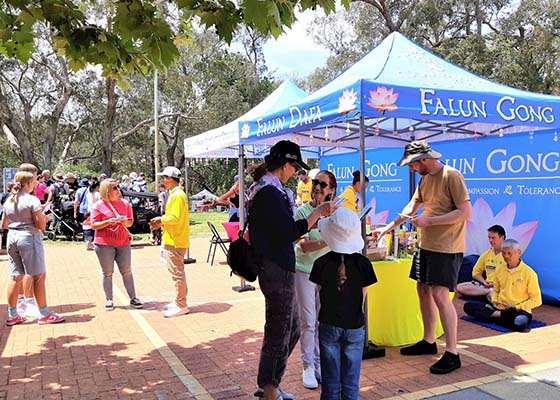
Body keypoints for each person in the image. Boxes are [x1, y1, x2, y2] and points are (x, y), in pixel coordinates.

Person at [374, 140, 471, 375]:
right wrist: (387, 228)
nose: (411, 169)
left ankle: (452, 353)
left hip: (447, 247)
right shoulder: (425, 179)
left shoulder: (451, 176)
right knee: (423, 289)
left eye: (412, 165)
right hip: (426, 245)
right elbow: (410, 207)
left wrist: (429, 221)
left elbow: (465, 213)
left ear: (424, 160)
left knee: (440, 293)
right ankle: (429, 341)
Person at [247, 140, 334, 400]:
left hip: (277, 266)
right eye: (295, 167)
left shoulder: (268, 189)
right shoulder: (270, 192)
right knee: (281, 329)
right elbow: (289, 232)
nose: (297, 173)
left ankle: (271, 383)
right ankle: (270, 389)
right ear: (286, 165)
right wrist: (317, 213)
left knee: (291, 326)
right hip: (276, 268)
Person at [310, 208, 377, 400]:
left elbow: (319, 292)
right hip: (355, 326)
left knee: (330, 384)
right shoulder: (364, 264)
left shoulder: (320, 263)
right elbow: (363, 296)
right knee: (351, 383)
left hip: (328, 324)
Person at [2, 171, 65, 325]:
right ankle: (44, 314)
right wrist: (45, 217)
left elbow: (4, 224)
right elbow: (40, 225)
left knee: (15, 276)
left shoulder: (9, 200)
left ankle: (13, 315)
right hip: (29, 238)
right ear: (29, 183)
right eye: (34, 182)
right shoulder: (32, 200)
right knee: (38, 276)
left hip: (12, 237)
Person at [294, 169, 337, 389]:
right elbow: (303, 246)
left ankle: (319, 364)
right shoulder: (303, 212)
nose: (318, 187)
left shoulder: (336, 214)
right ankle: (308, 366)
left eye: (323, 184)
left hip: (327, 274)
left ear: (331, 190)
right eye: (316, 182)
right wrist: (328, 241)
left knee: (323, 321)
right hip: (304, 272)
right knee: (308, 322)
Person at [463, 239, 542, 332]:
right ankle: (500, 315)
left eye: (509, 253)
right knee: (468, 307)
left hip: (517, 310)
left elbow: (537, 300)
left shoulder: (529, 273)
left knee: (520, 321)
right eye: (503, 253)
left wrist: (516, 307)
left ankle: (495, 316)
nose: (506, 256)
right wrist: (495, 301)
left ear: (519, 252)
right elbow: (496, 290)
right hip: (500, 307)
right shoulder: (500, 270)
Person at [90, 179, 142, 311]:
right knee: (107, 272)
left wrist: (124, 222)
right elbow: (93, 225)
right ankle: (109, 299)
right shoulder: (98, 206)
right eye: (114, 188)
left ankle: (133, 297)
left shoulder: (125, 204)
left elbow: (130, 223)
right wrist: (108, 222)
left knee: (127, 271)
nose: (118, 190)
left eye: (118, 187)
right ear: (106, 191)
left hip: (123, 242)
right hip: (104, 244)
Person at [148, 166, 190, 318]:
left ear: (171, 179)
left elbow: (175, 218)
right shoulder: (175, 194)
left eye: (165, 178)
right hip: (174, 238)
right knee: (176, 272)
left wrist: (161, 220)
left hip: (176, 240)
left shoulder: (177, 195)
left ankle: (181, 304)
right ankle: (180, 301)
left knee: (177, 273)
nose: (163, 180)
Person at [456, 225, 506, 299]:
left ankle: (487, 294)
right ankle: (487, 292)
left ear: (502, 238)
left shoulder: (509, 255)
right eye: (489, 238)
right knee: (460, 287)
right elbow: (476, 273)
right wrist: (484, 282)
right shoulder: (486, 254)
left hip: (501, 288)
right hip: (486, 285)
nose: (491, 240)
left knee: (495, 299)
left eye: (493, 238)